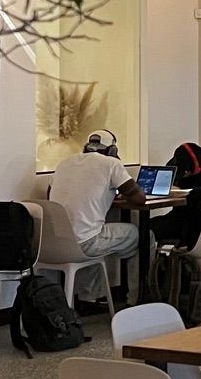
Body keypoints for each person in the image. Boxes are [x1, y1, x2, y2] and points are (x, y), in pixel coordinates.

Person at [47, 130, 145, 306]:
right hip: (85, 242)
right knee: (142, 235)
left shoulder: (64, 163)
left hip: (55, 243)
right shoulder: (111, 164)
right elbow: (139, 199)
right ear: (112, 150)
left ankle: (90, 296)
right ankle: (137, 299)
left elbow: (51, 196)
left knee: (91, 227)